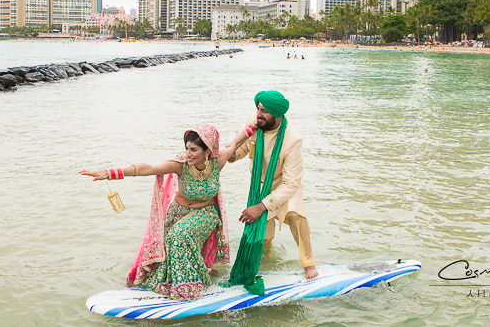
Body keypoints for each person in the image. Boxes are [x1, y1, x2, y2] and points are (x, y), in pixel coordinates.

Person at [79, 124, 254, 301]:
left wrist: (255, 125)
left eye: (194, 149)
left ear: (207, 150)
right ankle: (186, 277)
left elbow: (237, 141)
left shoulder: (218, 161)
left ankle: (187, 287)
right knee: (169, 244)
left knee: (179, 235)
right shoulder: (181, 165)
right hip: (177, 212)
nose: (189, 153)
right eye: (187, 148)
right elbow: (149, 168)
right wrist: (110, 173)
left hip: (205, 213)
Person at [226, 91, 318, 282]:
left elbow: (291, 183)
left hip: (284, 183)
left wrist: (261, 207)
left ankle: (308, 263)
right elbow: (245, 146)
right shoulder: (255, 121)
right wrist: (232, 155)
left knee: (296, 217)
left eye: (264, 111)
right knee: (263, 230)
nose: (259, 114)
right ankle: (265, 258)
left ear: (277, 115)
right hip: (260, 184)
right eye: (258, 109)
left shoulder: (292, 139)